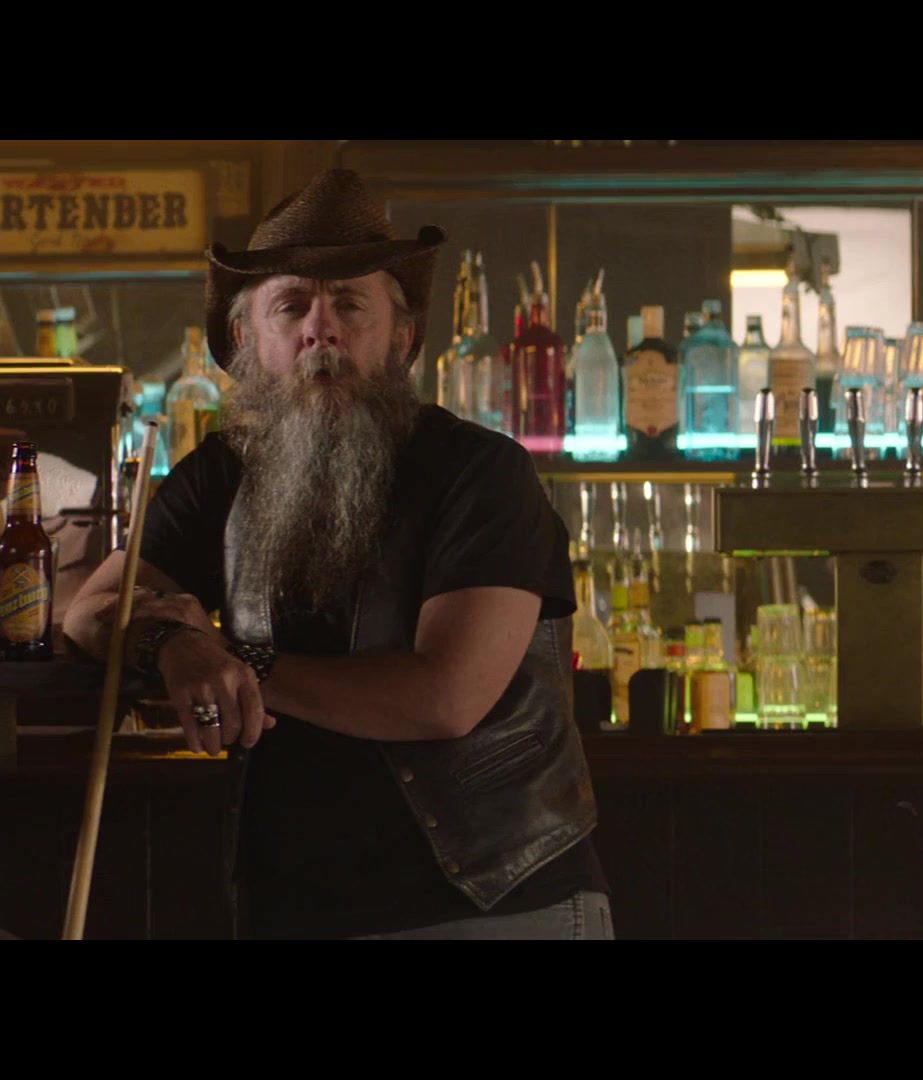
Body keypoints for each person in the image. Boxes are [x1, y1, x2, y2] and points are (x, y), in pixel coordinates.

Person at [63, 169, 610, 940]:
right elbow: (89, 610)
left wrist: (237, 662)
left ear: (404, 338)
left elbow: (445, 697)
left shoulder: (481, 473)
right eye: (291, 306)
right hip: (289, 909)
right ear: (247, 340)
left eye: (350, 303)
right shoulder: (220, 474)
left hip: (489, 905)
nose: (320, 329)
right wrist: (171, 644)